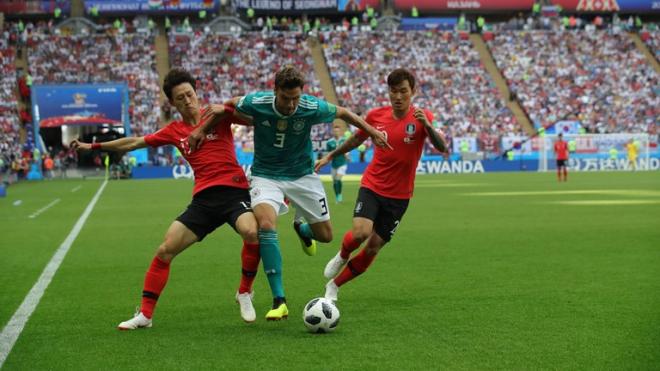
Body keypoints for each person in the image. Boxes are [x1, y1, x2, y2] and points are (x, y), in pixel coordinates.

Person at [188, 65, 389, 320]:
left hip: (303, 176)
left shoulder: (310, 106)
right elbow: (228, 106)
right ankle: (279, 300)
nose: (292, 104)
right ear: (275, 91)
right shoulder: (257, 101)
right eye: (286, 98)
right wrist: (202, 129)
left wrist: (372, 133)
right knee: (266, 226)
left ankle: (302, 228)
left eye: (296, 98)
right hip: (266, 174)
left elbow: (344, 113)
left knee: (326, 236)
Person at [71, 68, 261, 329]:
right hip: (204, 201)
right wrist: (93, 146)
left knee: (251, 232)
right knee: (165, 250)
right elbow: (134, 143)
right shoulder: (174, 131)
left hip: (234, 192)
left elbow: (253, 116)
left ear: (196, 93)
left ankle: (244, 292)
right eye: (180, 97)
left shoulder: (217, 114)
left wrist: (229, 105)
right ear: (172, 103)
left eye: (190, 94)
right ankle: (145, 315)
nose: (187, 100)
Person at [314, 68, 447, 303]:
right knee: (361, 233)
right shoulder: (376, 115)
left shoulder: (422, 117)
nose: (398, 97)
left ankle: (334, 286)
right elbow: (356, 139)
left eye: (403, 91)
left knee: (373, 247)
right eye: (393, 91)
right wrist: (330, 156)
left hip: (400, 195)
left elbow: (442, 146)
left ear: (413, 92)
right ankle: (343, 254)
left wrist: (427, 125)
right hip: (373, 185)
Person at [326, 122, 349, 203]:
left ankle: (339, 195)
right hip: (334, 164)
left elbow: (347, 151)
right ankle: (337, 196)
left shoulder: (344, 140)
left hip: (342, 163)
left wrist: (347, 156)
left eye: (338, 131)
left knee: (338, 179)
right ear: (333, 131)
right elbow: (328, 153)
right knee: (334, 182)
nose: (336, 132)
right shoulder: (329, 142)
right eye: (335, 131)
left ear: (340, 132)